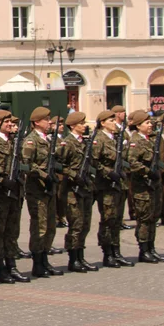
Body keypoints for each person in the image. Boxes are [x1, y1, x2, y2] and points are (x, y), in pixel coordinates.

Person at [0, 109, 28, 283]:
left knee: (12, 231)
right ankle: (0, 268)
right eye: (6, 122)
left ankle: (11, 265)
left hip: (15, 193)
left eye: (11, 122)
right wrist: (1, 181)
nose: (11, 124)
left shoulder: (14, 142)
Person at [22, 107, 63, 278]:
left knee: (50, 226)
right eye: (46, 120)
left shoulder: (49, 140)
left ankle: (45, 259)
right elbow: (26, 164)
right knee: (40, 226)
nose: (50, 122)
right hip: (37, 188)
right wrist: (44, 175)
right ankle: (37, 263)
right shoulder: (31, 141)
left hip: (49, 188)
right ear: (37, 122)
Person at [60, 112, 98, 273]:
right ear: (73, 126)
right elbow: (59, 165)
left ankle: (81, 256)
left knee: (85, 224)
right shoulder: (67, 143)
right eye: (81, 123)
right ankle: (73, 258)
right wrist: (74, 175)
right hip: (72, 190)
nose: (84, 126)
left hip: (86, 188)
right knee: (75, 225)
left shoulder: (84, 143)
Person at [126, 111, 164, 263]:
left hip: (154, 185)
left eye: (150, 123)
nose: (150, 125)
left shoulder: (150, 139)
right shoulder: (135, 141)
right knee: (144, 218)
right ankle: (143, 250)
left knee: (153, 217)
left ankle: (151, 247)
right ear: (138, 125)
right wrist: (148, 172)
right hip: (142, 186)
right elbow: (132, 162)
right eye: (147, 123)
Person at [93, 110, 130, 268]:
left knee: (117, 219)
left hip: (119, 185)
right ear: (102, 123)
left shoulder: (116, 138)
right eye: (111, 120)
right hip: (106, 185)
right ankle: (107, 253)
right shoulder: (99, 139)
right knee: (108, 219)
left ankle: (116, 251)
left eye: (115, 120)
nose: (115, 123)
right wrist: (109, 173)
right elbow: (94, 162)